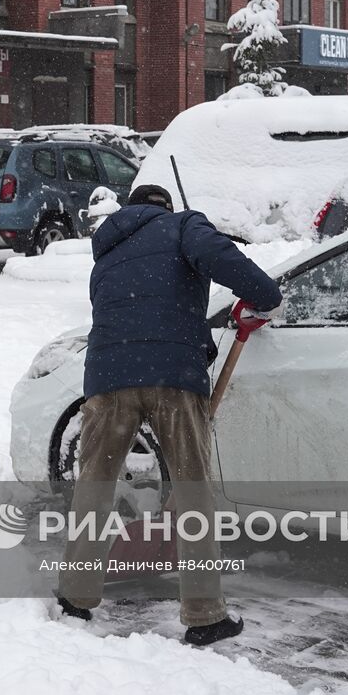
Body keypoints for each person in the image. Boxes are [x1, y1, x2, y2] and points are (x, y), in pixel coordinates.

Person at [56, 183, 282, 647]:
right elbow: (223, 258)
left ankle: (75, 598)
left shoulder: (107, 255)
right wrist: (265, 294)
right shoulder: (183, 225)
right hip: (173, 377)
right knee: (192, 494)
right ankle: (204, 616)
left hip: (108, 378)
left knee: (94, 489)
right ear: (166, 208)